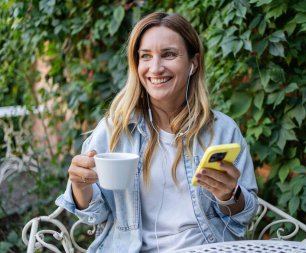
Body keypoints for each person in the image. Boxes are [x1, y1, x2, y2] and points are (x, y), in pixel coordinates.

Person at [56, 12, 258, 253]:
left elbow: (241, 219)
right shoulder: (115, 130)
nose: (156, 68)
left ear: (194, 63)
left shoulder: (222, 130)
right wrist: (80, 185)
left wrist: (230, 196)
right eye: (145, 56)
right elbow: (96, 216)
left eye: (169, 54)